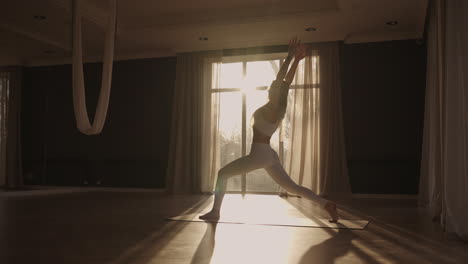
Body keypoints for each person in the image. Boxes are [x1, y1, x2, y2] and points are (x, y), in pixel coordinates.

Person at [200, 37, 339, 223]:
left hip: (260, 154)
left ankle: (215, 211)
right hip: (268, 155)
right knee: (292, 187)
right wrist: (296, 60)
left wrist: (290, 58)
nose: (271, 87)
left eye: (274, 88)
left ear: (277, 94)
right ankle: (326, 204)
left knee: (222, 174)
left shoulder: (274, 109)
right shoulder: (275, 107)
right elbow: (284, 81)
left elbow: (283, 80)